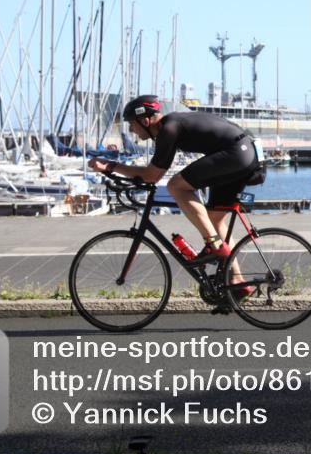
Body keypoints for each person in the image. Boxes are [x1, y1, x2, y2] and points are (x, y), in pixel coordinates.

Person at [88, 95, 262, 306]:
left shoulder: (168, 129)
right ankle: (237, 281)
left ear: (145, 121)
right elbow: (154, 172)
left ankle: (214, 244)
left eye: (132, 124)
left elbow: (152, 176)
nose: (131, 130)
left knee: (176, 186)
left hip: (237, 153)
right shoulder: (171, 126)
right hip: (245, 153)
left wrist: (111, 166)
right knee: (214, 220)